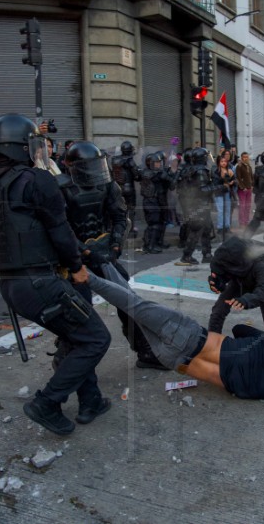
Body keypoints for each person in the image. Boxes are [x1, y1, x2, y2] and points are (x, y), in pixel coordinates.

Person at [0, 113, 111, 436]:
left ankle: (90, 400)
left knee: (76, 334)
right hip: (41, 281)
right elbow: (59, 229)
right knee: (96, 339)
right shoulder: (35, 180)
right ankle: (47, 402)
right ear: (22, 146)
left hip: (13, 285)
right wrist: (78, 267)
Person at [87, 267, 264, 400]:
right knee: (134, 309)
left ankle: (92, 272)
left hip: (188, 336)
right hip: (175, 361)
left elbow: (239, 329)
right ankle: (104, 266)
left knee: (133, 305)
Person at [56, 141, 166, 370]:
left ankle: (144, 351)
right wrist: (82, 250)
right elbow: (59, 228)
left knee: (128, 300)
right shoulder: (61, 188)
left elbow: (119, 217)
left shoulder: (106, 185)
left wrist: (115, 244)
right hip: (74, 260)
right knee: (78, 310)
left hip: (103, 253)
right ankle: (65, 358)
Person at [208, 237, 264, 348]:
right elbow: (220, 273)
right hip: (240, 280)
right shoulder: (222, 255)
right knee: (218, 310)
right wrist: (217, 282)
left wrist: (245, 300)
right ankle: (211, 345)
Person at [176, 148, 219, 265]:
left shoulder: (191, 169)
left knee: (207, 229)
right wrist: (217, 186)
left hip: (197, 204)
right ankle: (186, 255)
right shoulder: (200, 171)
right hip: (199, 204)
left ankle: (207, 254)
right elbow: (202, 190)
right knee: (196, 231)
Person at [111, 141, 140, 239]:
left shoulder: (115, 160)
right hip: (129, 189)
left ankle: (120, 229)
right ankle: (130, 230)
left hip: (117, 188)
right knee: (130, 209)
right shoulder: (130, 161)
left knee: (120, 210)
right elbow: (136, 176)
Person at [213, 155, 235, 236]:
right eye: (221, 161)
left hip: (227, 192)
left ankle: (227, 227)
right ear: (219, 162)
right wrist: (223, 179)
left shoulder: (229, 170)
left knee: (227, 210)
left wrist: (232, 181)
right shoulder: (216, 171)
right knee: (220, 210)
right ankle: (220, 227)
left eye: (225, 161)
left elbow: (234, 180)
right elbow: (215, 183)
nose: (223, 163)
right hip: (219, 192)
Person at [236, 151, 254, 228]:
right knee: (242, 206)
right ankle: (242, 223)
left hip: (249, 189)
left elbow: (251, 177)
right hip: (242, 190)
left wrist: (252, 185)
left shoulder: (249, 166)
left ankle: (246, 221)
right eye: (244, 157)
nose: (245, 158)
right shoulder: (239, 166)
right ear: (241, 158)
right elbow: (238, 178)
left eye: (247, 157)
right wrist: (243, 187)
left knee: (248, 206)